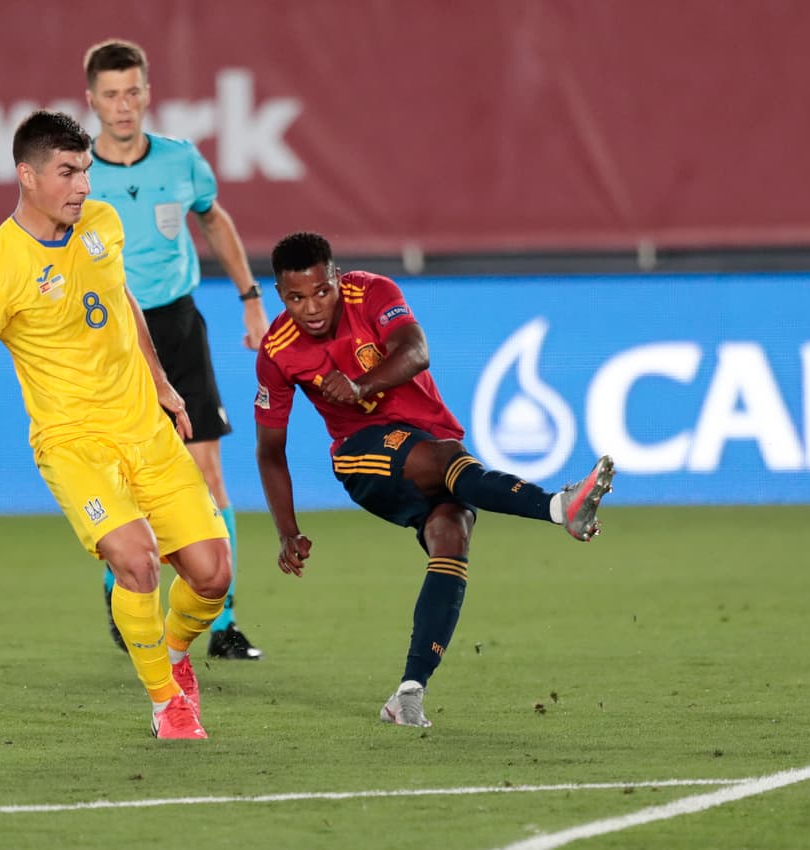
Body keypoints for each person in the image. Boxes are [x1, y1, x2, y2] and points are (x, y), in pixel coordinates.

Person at [0, 110, 231, 740]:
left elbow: (122, 300)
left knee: (213, 577)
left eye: (85, 169)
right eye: (67, 172)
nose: (83, 184)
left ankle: (175, 649)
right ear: (26, 176)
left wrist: (162, 383)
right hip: (74, 445)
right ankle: (167, 701)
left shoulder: (102, 224)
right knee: (137, 563)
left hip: (146, 430)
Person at [255, 231, 616, 727]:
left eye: (321, 291)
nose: (311, 307)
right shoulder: (278, 350)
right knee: (442, 461)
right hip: (363, 456)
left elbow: (416, 351)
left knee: (451, 534)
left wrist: (360, 383)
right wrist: (286, 529)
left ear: (336, 277)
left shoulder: (373, 292)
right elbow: (271, 451)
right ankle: (559, 509)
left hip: (430, 437)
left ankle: (408, 693)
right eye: (295, 297)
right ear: (280, 295)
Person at [83, 38, 266, 660]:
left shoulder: (181, 162)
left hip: (180, 325)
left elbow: (213, 219)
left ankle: (223, 619)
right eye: (111, 94)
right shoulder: (79, 175)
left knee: (207, 472)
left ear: (147, 94)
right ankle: (121, 590)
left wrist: (249, 296)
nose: (123, 105)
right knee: (123, 477)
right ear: (92, 101)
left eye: (132, 91)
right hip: (111, 336)